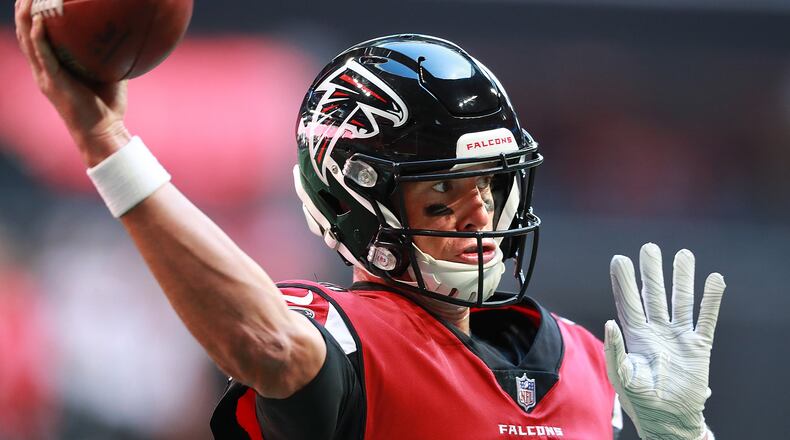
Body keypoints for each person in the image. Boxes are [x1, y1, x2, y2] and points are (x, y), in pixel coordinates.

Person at [15, 1, 725, 438]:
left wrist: (683, 437)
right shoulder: (348, 346)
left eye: (491, 183)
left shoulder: (587, 363)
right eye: (443, 193)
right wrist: (109, 145)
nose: (480, 211)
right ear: (359, 210)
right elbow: (265, 340)